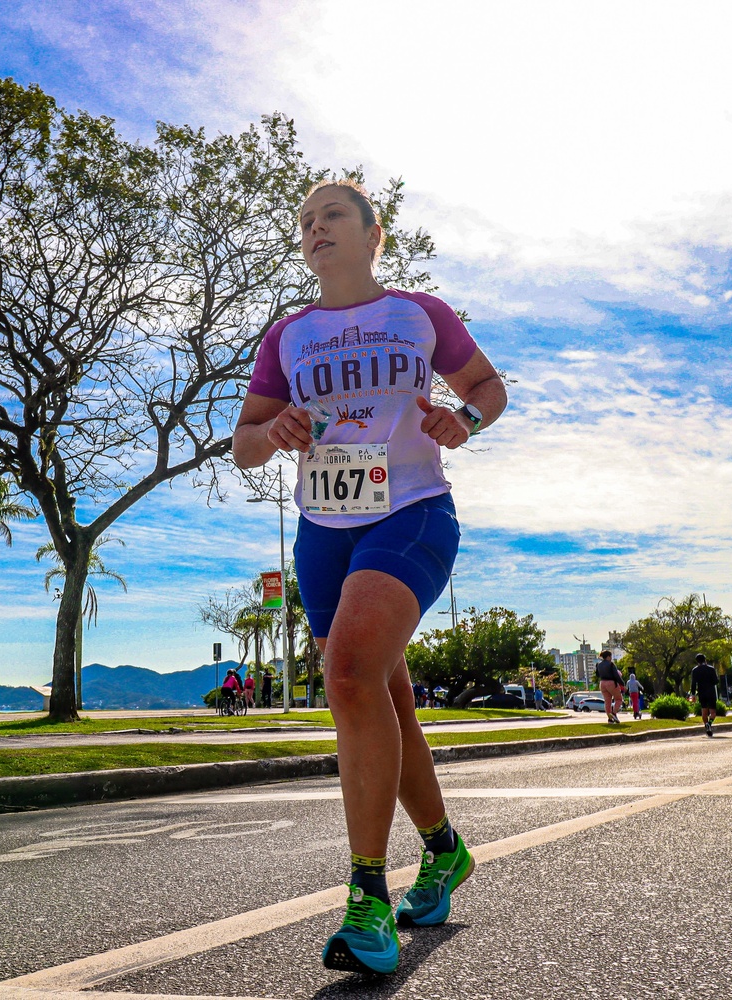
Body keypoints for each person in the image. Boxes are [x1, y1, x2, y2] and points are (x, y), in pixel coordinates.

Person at [234, 178, 507, 975]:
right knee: (383, 696)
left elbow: (487, 387)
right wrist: (273, 429)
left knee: (348, 674)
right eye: (306, 222)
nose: (316, 229)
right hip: (324, 532)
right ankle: (444, 849)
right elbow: (244, 443)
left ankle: (367, 899)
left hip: (412, 513)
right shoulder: (287, 335)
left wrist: (469, 419)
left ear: (373, 234)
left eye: (333, 217)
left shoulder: (420, 314)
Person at [690, 654, 719, 737]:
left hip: (701, 692)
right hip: (711, 692)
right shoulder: (711, 669)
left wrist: (693, 694)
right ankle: (709, 723)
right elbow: (716, 681)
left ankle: (707, 726)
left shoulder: (695, 670)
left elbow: (693, 684)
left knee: (704, 711)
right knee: (713, 712)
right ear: (705, 659)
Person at [595, 650, 625, 724]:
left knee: (607, 701)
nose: (611, 658)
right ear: (608, 656)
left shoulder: (599, 665)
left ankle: (610, 719)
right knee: (619, 699)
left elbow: (597, 675)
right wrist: (622, 684)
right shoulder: (611, 664)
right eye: (610, 656)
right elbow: (616, 675)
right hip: (611, 683)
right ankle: (614, 713)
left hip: (602, 683)